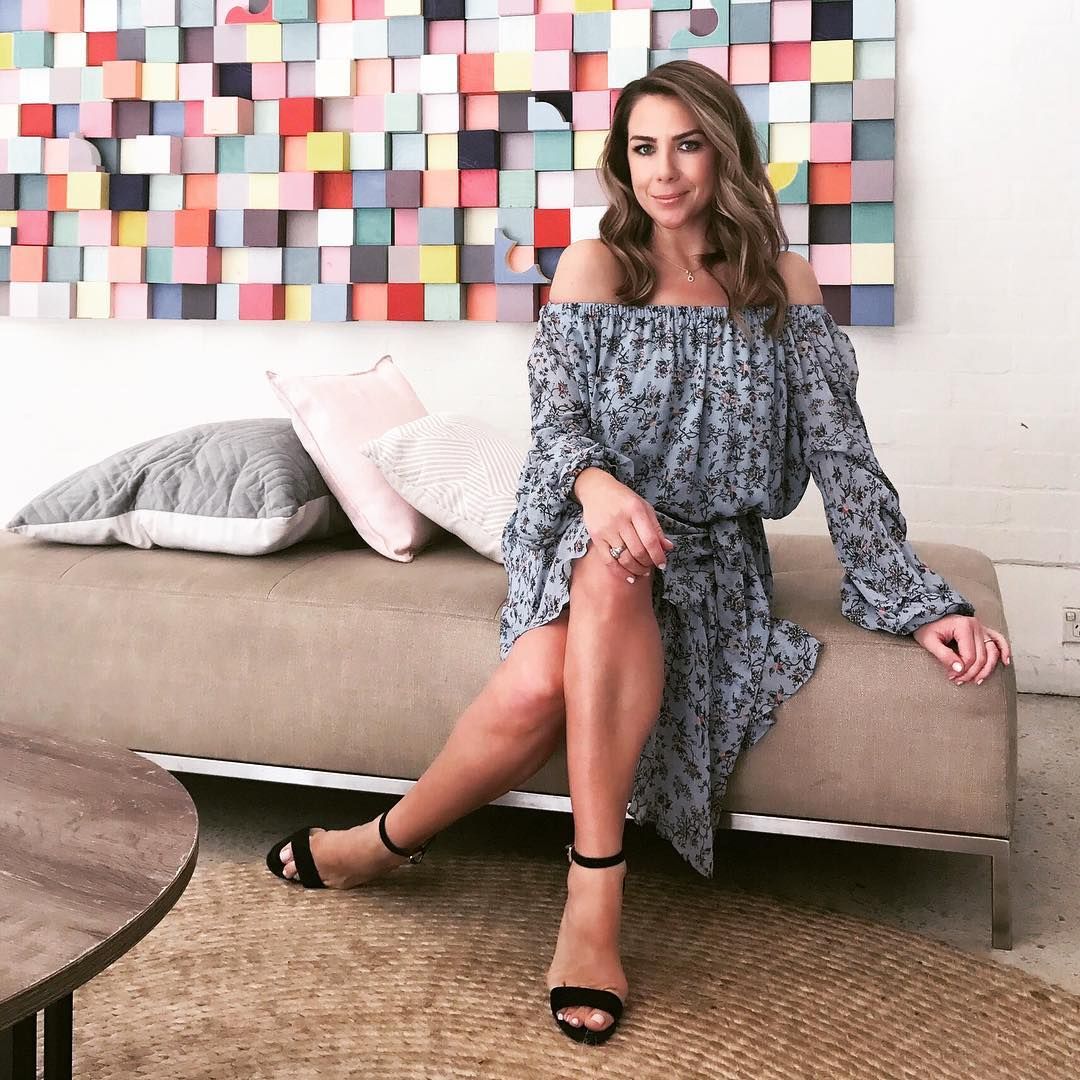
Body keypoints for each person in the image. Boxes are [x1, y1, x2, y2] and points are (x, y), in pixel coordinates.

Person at [266, 59, 1012, 1047]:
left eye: (688, 145)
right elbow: (559, 422)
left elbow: (842, 455)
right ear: (621, 162)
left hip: (710, 556)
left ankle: (377, 844)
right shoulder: (596, 268)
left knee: (539, 685)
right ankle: (595, 893)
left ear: (726, 152)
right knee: (613, 556)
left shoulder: (781, 286)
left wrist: (920, 603)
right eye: (643, 148)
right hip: (588, 527)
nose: (664, 171)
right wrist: (600, 487)